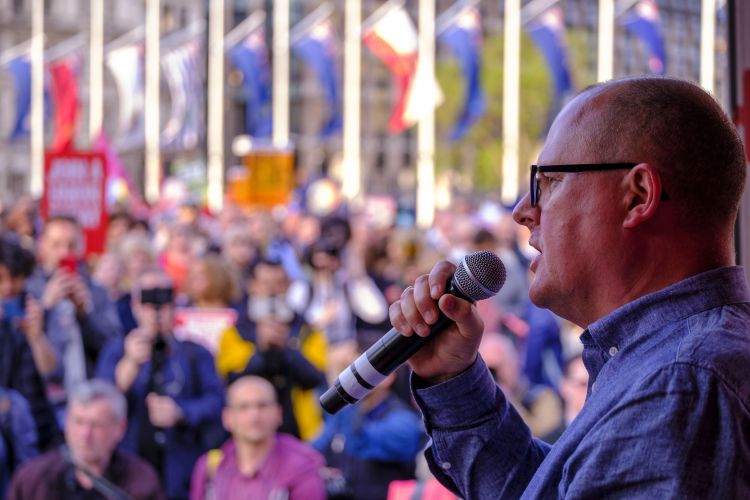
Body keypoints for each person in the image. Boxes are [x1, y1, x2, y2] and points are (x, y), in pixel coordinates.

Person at [388, 77, 750, 497]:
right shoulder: (669, 367)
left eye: (548, 182)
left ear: (638, 196)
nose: (523, 212)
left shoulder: (679, 387)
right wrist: (451, 377)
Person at [95, 268, 224, 500]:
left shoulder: (195, 352)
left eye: (163, 300)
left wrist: (181, 412)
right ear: (135, 305)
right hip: (130, 465)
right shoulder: (116, 349)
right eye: (148, 300)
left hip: (180, 466)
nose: (156, 310)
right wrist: (130, 365)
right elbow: (100, 402)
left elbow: (217, 401)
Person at [216, 257, 326, 441]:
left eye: (279, 283)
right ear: (253, 286)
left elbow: (315, 378)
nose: (272, 290)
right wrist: (260, 349)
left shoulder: (306, 330)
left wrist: (286, 348)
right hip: (248, 431)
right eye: (266, 283)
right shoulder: (234, 331)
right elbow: (232, 380)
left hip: (298, 429)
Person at [25, 215, 122, 422]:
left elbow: (112, 347)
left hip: (88, 400)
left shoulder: (97, 291)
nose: (64, 253)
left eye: (71, 245)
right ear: (42, 246)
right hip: (40, 400)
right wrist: (46, 306)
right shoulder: (29, 289)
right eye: (56, 244)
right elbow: (19, 345)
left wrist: (85, 315)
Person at [7, 379, 163, 499]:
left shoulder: (140, 481)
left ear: (119, 428)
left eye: (96, 425)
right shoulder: (33, 479)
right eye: (78, 422)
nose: (85, 434)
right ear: (66, 422)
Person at [189, 376, 326, 500]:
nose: (254, 415)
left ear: (279, 413)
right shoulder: (210, 467)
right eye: (243, 407)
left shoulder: (301, 467)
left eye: (262, 406)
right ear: (227, 417)